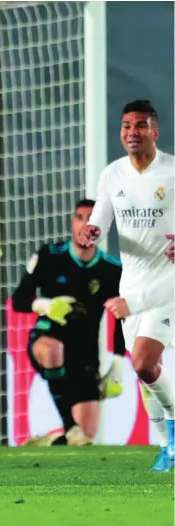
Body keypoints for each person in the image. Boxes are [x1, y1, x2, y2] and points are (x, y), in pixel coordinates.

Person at [78, 100, 174, 471]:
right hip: (131, 285)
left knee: (144, 363)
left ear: (155, 131)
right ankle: (168, 447)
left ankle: (173, 437)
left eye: (140, 125)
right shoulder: (113, 174)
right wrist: (91, 233)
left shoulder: (171, 171)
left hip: (167, 284)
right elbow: (101, 220)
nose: (132, 132)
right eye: (126, 126)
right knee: (147, 373)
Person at [12, 199, 126, 447]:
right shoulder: (50, 256)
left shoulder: (111, 270)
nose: (85, 224)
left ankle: (55, 438)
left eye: (92, 219)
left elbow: (121, 317)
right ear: (72, 223)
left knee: (86, 437)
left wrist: (117, 363)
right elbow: (18, 300)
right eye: (80, 217)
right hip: (47, 337)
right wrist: (45, 305)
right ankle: (70, 426)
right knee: (52, 350)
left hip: (85, 352)